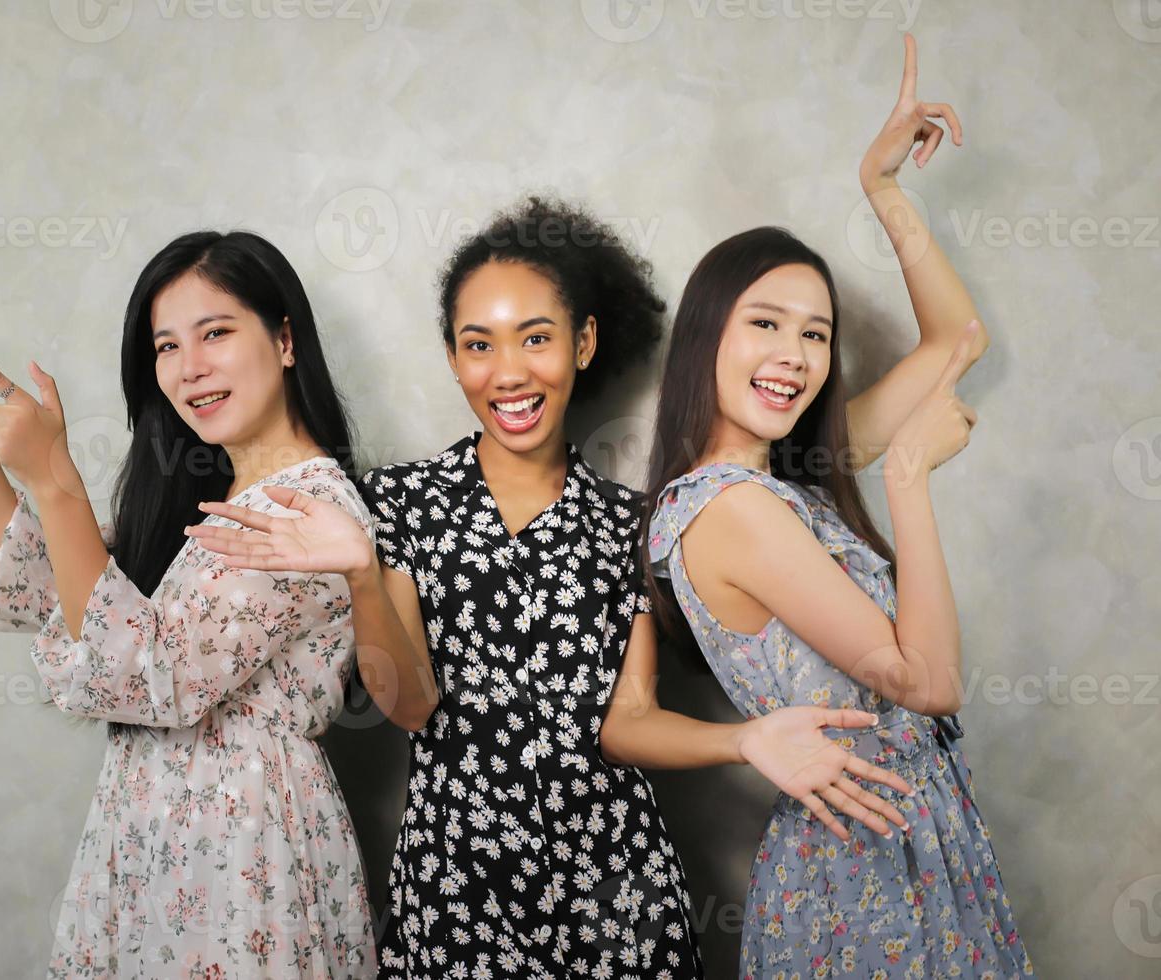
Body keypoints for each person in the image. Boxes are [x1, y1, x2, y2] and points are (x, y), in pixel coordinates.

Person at [185, 198, 915, 978]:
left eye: (536, 338)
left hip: (618, 898)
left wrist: (743, 740)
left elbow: (629, 719)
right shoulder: (398, 502)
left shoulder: (632, 524)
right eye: (479, 345)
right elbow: (410, 703)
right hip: (456, 900)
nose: (509, 373)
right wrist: (364, 574)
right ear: (453, 357)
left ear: (585, 342)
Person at [641, 36, 1034, 977]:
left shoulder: (791, 478)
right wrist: (906, 478)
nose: (794, 354)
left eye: (814, 334)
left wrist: (883, 190)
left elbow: (957, 338)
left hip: (918, 841)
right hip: (857, 872)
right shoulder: (731, 508)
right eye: (765, 325)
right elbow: (925, 683)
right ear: (707, 339)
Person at [0, 231, 378, 978]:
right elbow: (42, 584)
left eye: (215, 332)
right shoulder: (211, 506)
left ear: (283, 340)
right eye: (166, 345)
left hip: (241, 852)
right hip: (153, 840)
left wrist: (57, 481)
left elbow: (145, 670)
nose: (190, 368)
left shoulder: (306, 510)